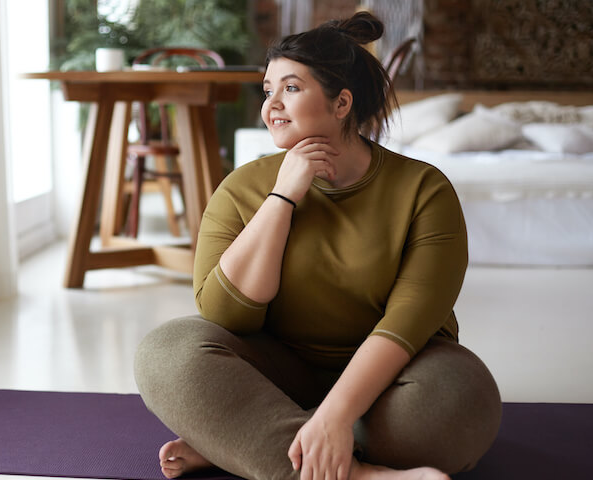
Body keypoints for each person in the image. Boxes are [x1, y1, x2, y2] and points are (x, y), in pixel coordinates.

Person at [134, 11, 501, 480]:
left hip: (394, 377)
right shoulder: (242, 189)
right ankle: (362, 474)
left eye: (290, 88)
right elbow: (227, 317)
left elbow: (406, 327)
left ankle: (253, 441)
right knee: (166, 352)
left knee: (456, 405)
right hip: (278, 370)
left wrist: (335, 416)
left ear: (341, 103)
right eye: (267, 90)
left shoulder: (424, 191)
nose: (271, 105)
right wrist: (282, 197)